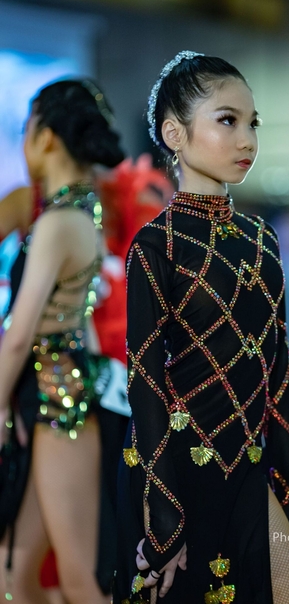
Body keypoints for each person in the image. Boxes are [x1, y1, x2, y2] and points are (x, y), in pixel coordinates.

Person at [114, 51, 289, 604]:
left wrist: (288, 483)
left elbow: (278, 373)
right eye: (227, 120)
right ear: (174, 134)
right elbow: (145, 383)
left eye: (253, 123)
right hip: (173, 473)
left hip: (249, 470)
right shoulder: (154, 246)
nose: (247, 140)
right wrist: (164, 518)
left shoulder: (262, 240)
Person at [0, 78, 125, 603]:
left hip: (58, 407)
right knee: (13, 574)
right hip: (56, 400)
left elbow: (18, 334)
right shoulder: (80, 213)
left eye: (26, 129)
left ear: (46, 136)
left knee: (78, 580)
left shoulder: (59, 221)